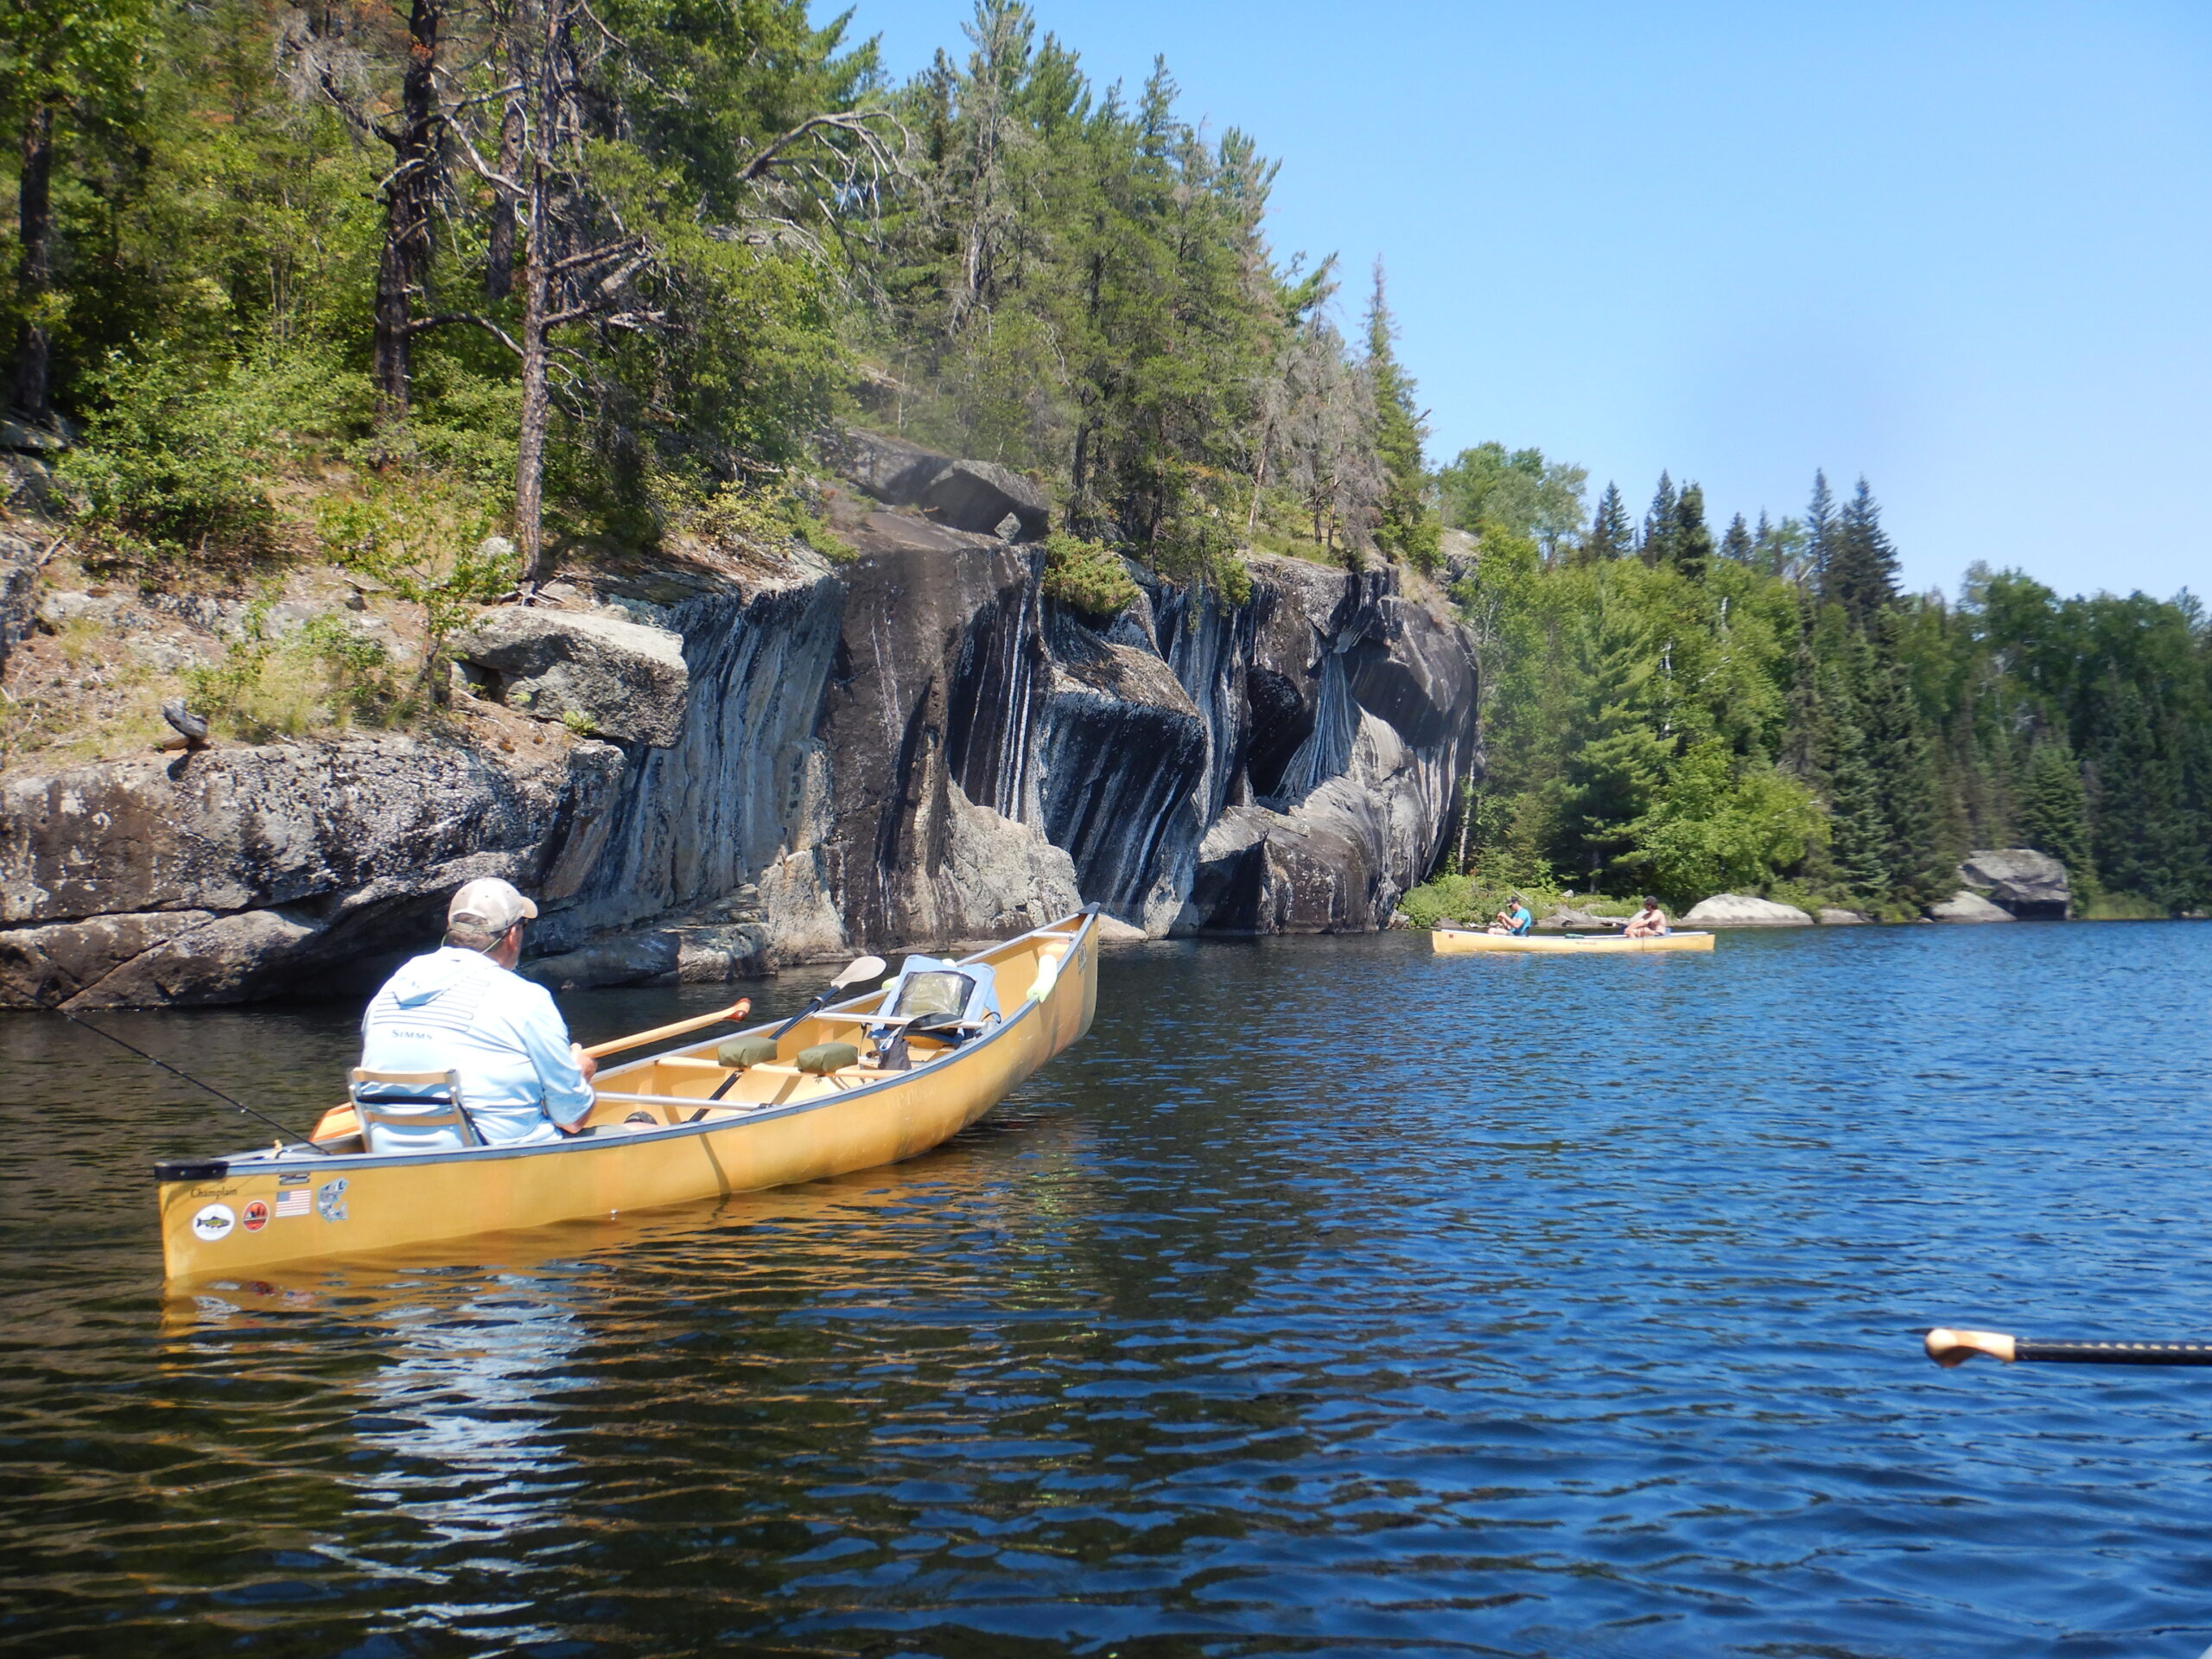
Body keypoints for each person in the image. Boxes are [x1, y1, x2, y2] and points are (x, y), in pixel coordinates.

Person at [356, 878, 596, 1151]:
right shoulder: (526, 997)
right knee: (639, 1124)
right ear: (513, 935)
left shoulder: (392, 988)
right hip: (491, 1155)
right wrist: (581, 1074)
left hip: (388, 1150)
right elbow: (571, 1118)